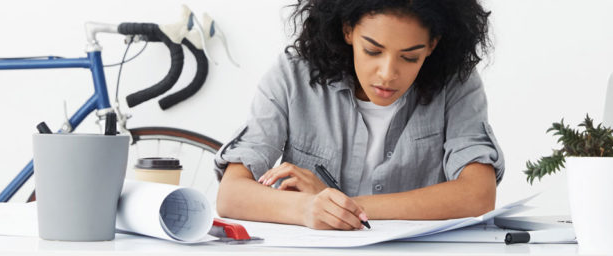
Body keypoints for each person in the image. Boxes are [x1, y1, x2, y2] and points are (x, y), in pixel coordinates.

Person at [214, 0, 503, 230]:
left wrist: (343, 205)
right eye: (373, 50)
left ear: (433, 44)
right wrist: (307, 209)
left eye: (410, 57)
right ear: (348, 30)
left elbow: (478, 195)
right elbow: (231, 195)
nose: (388, 74)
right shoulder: (293, 76)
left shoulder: (455, 84)